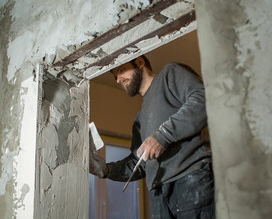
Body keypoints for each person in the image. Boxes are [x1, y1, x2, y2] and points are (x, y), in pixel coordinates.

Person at [90, 55, 215, 219]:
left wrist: (162, 136)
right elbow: (138, 162)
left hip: (189, 181)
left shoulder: (169, 74)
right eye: (115, 77)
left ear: (140, 63)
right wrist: (106, 170)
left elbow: (202, 99)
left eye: (121, 70)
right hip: (158, 194)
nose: (118, 79)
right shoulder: (140, 118)